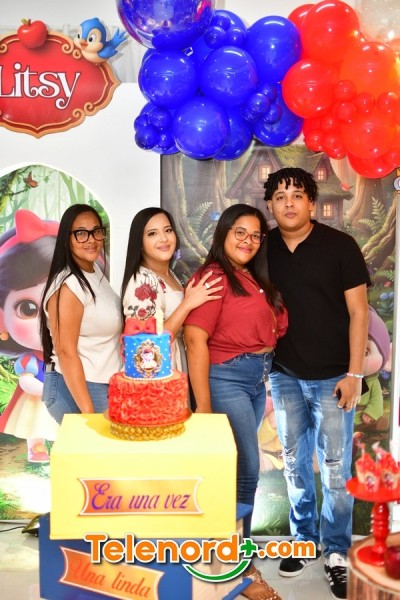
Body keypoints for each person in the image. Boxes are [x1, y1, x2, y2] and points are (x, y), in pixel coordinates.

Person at [263, 167, 370, 600]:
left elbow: (359, 313)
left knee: (335, 467)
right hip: (284, 374)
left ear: (311, 202)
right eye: (280, 196)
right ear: (270, 205)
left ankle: (337, 550)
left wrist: (355, 374)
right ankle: (303, 539)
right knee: (293, 462)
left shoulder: (340, 246)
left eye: (297, 195)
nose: (289, 203)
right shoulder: (262, 248)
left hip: (334, 378)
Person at [184, 204, 288, 600]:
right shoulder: (214, 276)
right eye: (240, 232)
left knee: (241, 470)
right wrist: (204, 406)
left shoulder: (250, 277)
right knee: (246, 470)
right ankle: (237, 567)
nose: (249, 240)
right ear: (223, 233)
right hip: (226, 378)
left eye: (256, 235)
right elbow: (195, 340)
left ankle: (229, 551)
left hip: (255, 379)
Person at [40, 204, 123, 424]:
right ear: (66, 238)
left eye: (96, 231)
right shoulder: (69, 286)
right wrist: (87, 410)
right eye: (81, 233)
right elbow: (65, 351)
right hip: (82, 387)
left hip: (103, 383)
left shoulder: (93, 272)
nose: (91, 239)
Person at [120, 207, 223, 374]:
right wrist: (187, 304)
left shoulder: (169, 275)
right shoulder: (143, 281)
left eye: (168, 230)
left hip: (176, 365)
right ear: (140, 243)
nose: (164, 238)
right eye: (152, 234)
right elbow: (147, 344)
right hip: (156, 376)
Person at [0, 210, 59, 462]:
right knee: (36, 422)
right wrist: (46, 389)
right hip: (38, 398)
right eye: (28, 308)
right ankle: (36, 446)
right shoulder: (29, 360)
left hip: (63, 398)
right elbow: (26, 382)